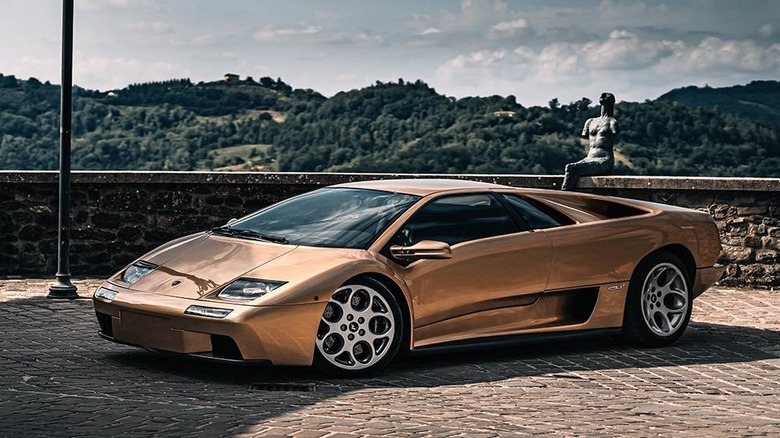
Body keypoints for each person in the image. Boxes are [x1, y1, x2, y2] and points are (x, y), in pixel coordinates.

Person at [561, 92, 618, 191]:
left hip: (604, 159)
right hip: (589, 158)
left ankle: (564, 194)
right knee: (570, 168)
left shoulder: (612, 123)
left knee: (572, 168)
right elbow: (585, 135)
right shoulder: (590, 121)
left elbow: (615, 133)